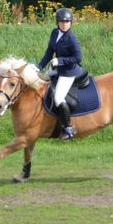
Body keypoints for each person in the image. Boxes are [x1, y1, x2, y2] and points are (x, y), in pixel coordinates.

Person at [38, 7, 83, 140]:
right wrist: (39, 67)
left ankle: (68, 128)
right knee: (40, 82)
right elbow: (49, 52)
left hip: (69, 72)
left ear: (71, 22)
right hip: (57, 68)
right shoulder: (54, 33)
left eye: (68, 21)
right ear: (57, 22)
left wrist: (61, 60)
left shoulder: (71, 38)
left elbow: (78, 57)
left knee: (58, 98)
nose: (65, 24)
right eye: (62, 21)